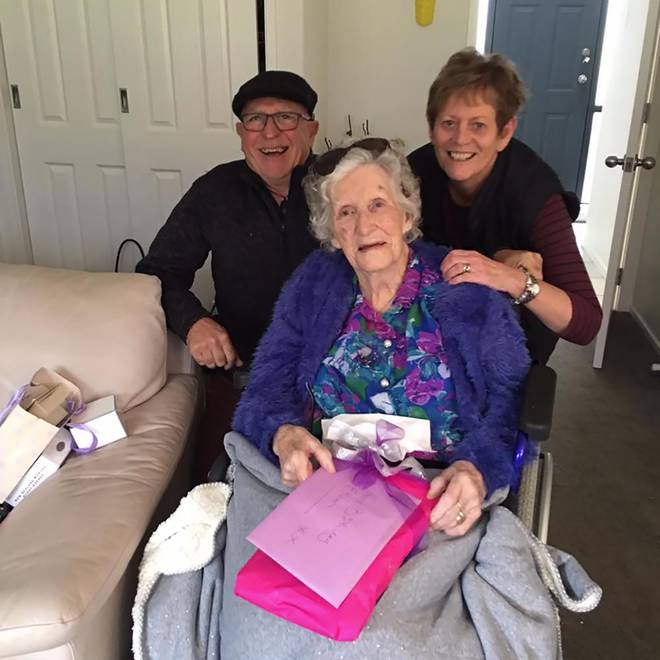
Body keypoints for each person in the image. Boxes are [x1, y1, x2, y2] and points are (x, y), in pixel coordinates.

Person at [233, 138, 531, 536]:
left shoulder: (465, 289)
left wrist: (476, 469)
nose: (364, 225)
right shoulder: (313, 285)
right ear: (334, 234)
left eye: (377, 205)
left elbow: (510, 401)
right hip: (326, 489)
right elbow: (267, 383)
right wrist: (283, 434)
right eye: (346, 212)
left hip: (433, 496)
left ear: (406, 215)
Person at [136, 70, 320, 480]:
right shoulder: (214, 192)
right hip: (244, 370)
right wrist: (195, 322)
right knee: (215, 480)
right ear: (241, 133)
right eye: (256, 119)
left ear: (311, 129)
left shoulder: (339, 187)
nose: (270, 132)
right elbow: (155, 272)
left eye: (286, 117)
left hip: (334, 373)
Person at [408, 48, 602, 363]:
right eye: (448, 123)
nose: (460, 139)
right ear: (432, 128)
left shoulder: (535, 193)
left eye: (478, 125)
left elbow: (586, 324)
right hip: (433, 337)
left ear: (505, 132)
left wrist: (512, 279)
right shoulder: (414, 173)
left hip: (512, 347)